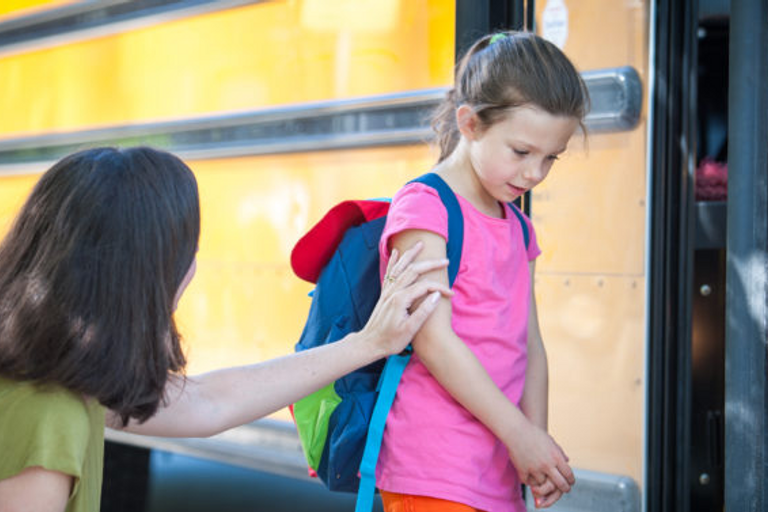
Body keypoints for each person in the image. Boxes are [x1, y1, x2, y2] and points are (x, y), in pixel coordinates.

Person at [0, 146, 453, 512]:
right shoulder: (48, 416)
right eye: (185, 253)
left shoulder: (55, 377)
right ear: (142, 278)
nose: (192, 269)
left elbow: (209, 402)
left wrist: (368, 344)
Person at [375, 31, 589, 512]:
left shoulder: (517, 226)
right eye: (521, 152)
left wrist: (536, 444)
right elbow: (431, 338)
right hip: (433, 469)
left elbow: (529, 343)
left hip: (497, 469)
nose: (535, 173)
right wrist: (519, 434)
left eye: (550, 157)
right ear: (469, 123)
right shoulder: (425, 207)